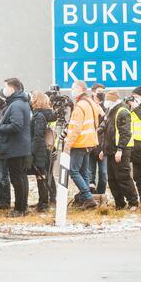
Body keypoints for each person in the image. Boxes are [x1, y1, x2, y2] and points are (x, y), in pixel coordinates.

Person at [63, 81, 102, 209]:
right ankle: (86, 198)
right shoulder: (91, 102)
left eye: (73, 88)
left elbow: (76, 128)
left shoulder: (80, 106)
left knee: (73, 171)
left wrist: (68, 145)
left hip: (79, 143)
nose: (71, 90)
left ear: (80, 89)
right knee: (84, 172)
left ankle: (88, 197)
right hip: (90, 142)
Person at [0, 78, 32, 217]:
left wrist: (1, 127)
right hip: (20, 146)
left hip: (16, 147)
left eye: (5, 87)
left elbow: (16, 125)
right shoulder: (21, 102)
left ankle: (19, 208)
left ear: (12, 89)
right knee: (21, 178)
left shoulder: (16, 104)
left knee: (17, 179)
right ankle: (22, 207)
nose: (4, 89)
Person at [100, 91, 139, 210]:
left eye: (107, 99)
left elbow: (125, 133)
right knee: (112, 180)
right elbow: (108, 132)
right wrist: (103, 150)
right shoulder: (110, 110)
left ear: (112, 100)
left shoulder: (122, 111)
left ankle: (133, 202)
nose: (105, 102)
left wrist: (120, 149)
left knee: (123, 177)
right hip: (111, 151)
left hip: (120, 150)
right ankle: (120, 204)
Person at [29, 91, 56, 212]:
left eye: (32, 98)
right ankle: (43, 201)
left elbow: (38, 136)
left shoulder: (38, 116)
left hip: (39, 151)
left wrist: (32, 152)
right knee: (41, 175)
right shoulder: (39, 115)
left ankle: (44, 203)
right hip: (42, 150)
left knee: (41, 176)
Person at [88, 83, 108, 204]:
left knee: (103, 174)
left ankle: (101, 197)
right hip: (90, 145)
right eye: (99, 91)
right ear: (93, 93)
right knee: (90, 175)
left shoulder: (107, 107)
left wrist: (103, 149)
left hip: (102, 146)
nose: (101, 94)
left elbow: (107, 130)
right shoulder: (88, 106)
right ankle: (91, 199)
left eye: (103, 92)